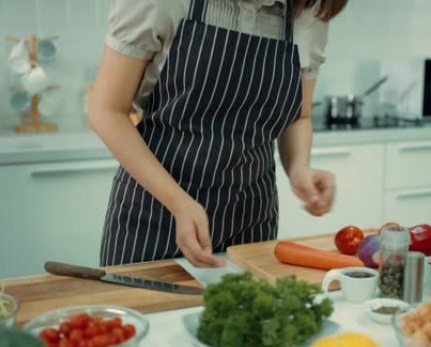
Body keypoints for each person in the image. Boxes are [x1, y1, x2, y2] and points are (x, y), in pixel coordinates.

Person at [90, 0, 347, 268]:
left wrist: (298, 168)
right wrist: (179, 203)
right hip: (154, 216)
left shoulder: (307, 12)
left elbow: (299, 115)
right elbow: (107, 110)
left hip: (251, 223)